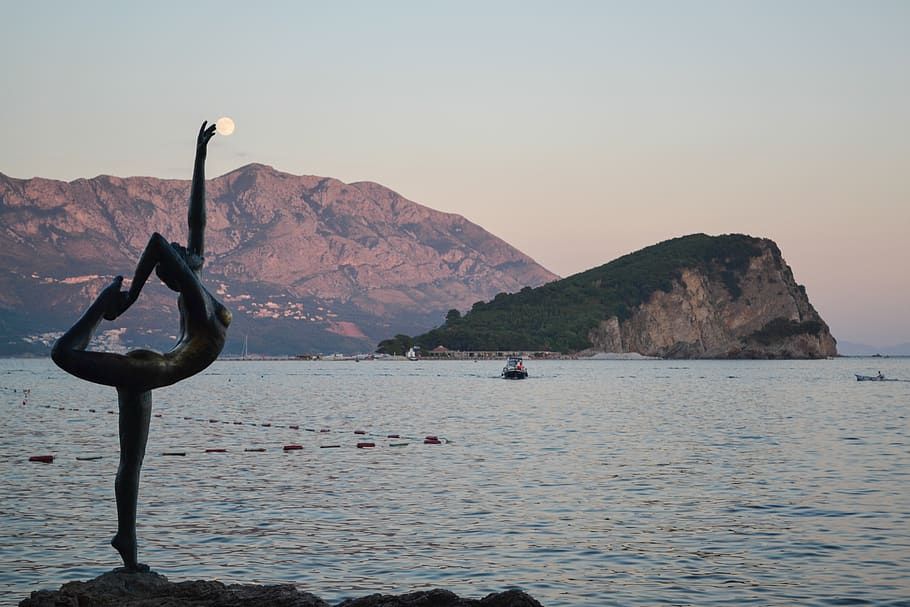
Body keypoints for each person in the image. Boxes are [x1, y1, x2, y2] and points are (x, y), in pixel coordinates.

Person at [51, 121, 231, 571]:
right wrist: (126, 297)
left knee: (131, 461)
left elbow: (197, 221)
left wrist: (200, 158)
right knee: (62, 354)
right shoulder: (197, 303)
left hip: (153, 368)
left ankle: (126, 544)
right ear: (178, 273)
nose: (183, 247)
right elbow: (156, 243)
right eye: (180, 253)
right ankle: (98, 308)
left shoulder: (200, 297)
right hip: (154, 369)